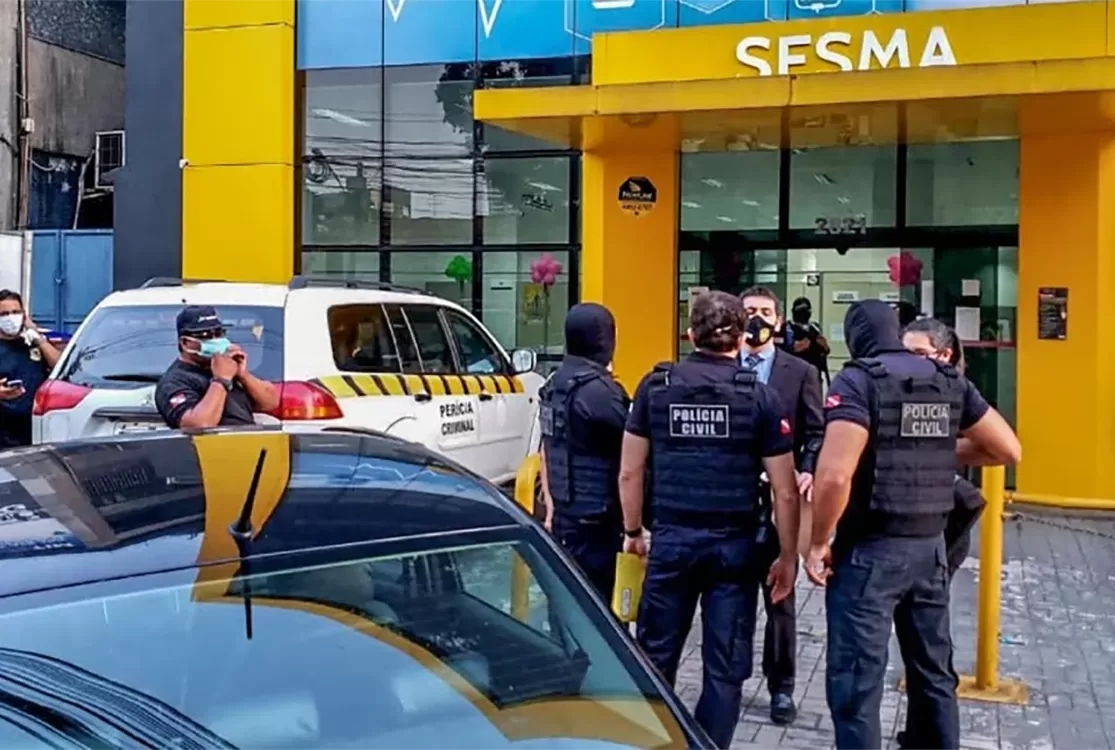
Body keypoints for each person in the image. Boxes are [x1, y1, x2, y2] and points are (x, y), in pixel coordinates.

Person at [804, 299, 1021, 750]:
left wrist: (819, 541)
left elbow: (835, 476)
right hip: (930, 551)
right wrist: (938, 452)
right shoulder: (946, 378)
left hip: (869, 553)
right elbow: (1007, 450)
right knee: (933, 672)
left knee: (856, 684)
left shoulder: (858, 380)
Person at [619, 290, 801, 749]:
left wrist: (633, 531)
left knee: (655, 657)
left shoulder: (655, 387)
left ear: (689, 335)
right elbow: (784, 490)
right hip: (734, 550)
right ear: (741, 337)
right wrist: (788, 556)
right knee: (725, 669)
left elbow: (629, 471)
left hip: (671, 543)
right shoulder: (759, 396)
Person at [897, 317, 989, 750]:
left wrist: (938, 451)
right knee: (918, 645)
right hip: (904, 526)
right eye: (903, 354)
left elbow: (1001, 446)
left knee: (930, 648)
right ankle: (919, 733)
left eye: (918, 354)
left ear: (945, 355)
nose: (909, 363)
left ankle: (936, 738)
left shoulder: (957, 392)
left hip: (939, 529)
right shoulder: (899, 389)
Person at [739, 286, 825, 725]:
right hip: (731, 500)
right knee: (732, 596)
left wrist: (808, 467)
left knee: (780, 596)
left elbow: (817, 429)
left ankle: (782, 687)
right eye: (749, 311)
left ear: (778, 320)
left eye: (764, 312)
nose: (756, 319)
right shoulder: (721, 365)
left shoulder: (800, 371)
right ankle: (731, 676)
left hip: (780, 499)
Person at [538, 302, 630, 600]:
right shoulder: (599, 392)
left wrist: (551, 505)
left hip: (566, 514)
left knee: (568, 601)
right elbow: (635, 450)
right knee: (600, 606)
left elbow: (547, 447)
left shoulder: (554, 384)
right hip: (598, 522)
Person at [155, 305, 279, 430]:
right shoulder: (174, 382)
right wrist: (220, 381)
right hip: (211, 442)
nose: (215, 340)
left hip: (246, 439)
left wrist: (243, 375)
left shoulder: (227, 367)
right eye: (205, 335)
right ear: (185, 343)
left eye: (218, 333)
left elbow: (270, 403)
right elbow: (198, 425)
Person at [0, 290, 62, 448]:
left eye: (16, 312)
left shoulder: (32, 343)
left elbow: (60, 366)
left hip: (36, 429)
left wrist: (38, 338)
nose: (11, 318)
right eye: (4, 314)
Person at [786, 297, 830, 387]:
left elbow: (825, 348)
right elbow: (792, 348)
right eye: (801, 309)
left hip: (814, 373)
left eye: (806, 309)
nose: (804, 312)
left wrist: (822, 344)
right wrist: (809, 340)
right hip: (795, 373)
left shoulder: (815, 326)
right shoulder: (788, 327)